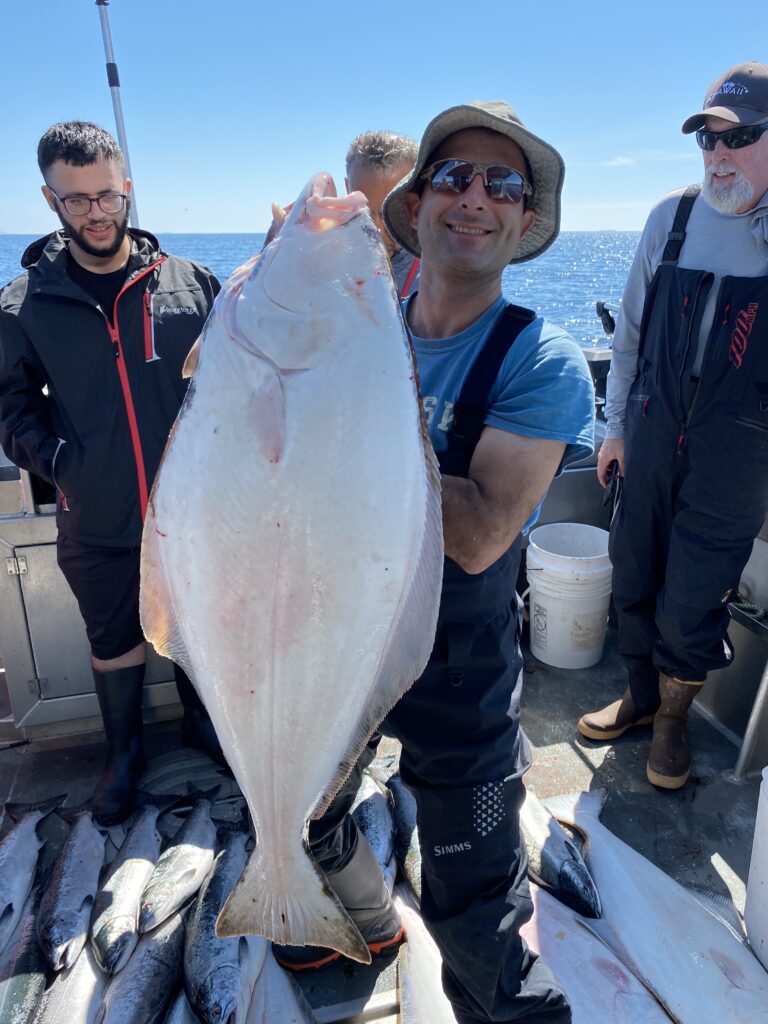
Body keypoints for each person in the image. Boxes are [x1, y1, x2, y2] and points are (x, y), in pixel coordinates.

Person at [275, 101, 595, 1024]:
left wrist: (360, 405)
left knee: (477, 915)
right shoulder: (348, 322)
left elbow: (485, 531)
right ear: (413, 209)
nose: (476, 198)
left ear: (526, 221)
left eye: (504, 185)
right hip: (338, 638)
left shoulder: (544, 359)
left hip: (461, 665)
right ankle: (372, 923)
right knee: (304, 815)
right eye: (454, 176)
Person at [0, 121, 222, 824]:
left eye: (106, 195)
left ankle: (209, 733)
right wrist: (62, 463)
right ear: (50, 199)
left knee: (202, 636)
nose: (96, 212)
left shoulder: (191, 284)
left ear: (126, 188)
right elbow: (8, 405)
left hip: (196, 517)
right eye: (77, 200)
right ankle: (123, 757)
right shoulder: (23, 303)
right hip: (94, 515)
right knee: (115, 642)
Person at [578, 61, 768, 790]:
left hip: (739, 453)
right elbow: (626, 337)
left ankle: (673, 723)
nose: (718, 157)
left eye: (740, 137)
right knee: (634, 571)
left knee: (694, 595)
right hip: (652, 431)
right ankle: (639, 695)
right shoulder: (673, 219)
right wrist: (614, 429)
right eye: (707, 141)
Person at [345, 130, 421, 297]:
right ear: (347, 187)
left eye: (389, 215)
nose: (377, 231)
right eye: (365, 214)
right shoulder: (326, 259)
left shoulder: (437, 276)